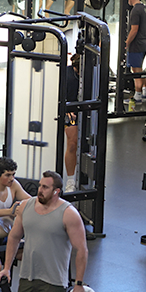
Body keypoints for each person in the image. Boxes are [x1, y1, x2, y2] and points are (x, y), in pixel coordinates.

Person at [0, 171, 88, 292]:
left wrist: (78, 284)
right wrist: (7, 268)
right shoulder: (26, 206)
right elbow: (14, 237)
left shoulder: (69, 214)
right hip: (27, 277)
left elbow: (81, 249)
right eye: (40, 186)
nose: (40, 190)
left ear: (56, 191)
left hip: (54, 282)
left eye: (45, 187)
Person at [124, 0, 146, 104]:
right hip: (144, 43)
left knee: (136, 71)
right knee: (140, 68)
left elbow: (134, 29)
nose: (127, 0)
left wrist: (127, 42)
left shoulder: (135, 10)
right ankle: (144, 91)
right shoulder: (145, 8)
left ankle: (137, 96)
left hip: (136, 44)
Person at [62, 53, 81, 192]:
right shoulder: (66, 75)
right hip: (71, 111)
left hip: (89, 110)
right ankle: (70, 181)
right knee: (72, 144)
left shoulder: (94, 74)